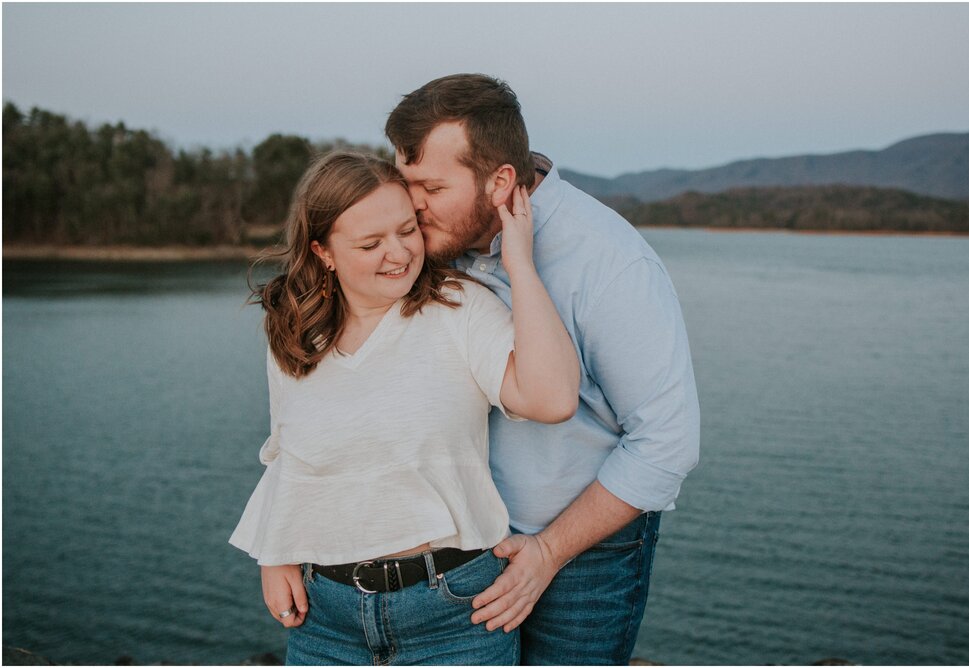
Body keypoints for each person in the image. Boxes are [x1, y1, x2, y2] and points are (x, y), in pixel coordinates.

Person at [385, 74, 701, 665]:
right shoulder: (433, 243)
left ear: (501, 181)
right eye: (406, 183)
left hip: (583, 557)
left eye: (431, 185)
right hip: (459, 548)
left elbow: (667, 444)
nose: (412, 204)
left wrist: (550, 550)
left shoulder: (610, 263)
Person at [229, 151, 580, 665]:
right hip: (324, 618)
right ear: (322, 251)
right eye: (370, 243)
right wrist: (275, 553)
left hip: (454, 613)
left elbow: (552, 399)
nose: (398, 254)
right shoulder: (296, 327)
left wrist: (519, 265)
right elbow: (290, 454)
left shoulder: (459, 308)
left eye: (406, 230)